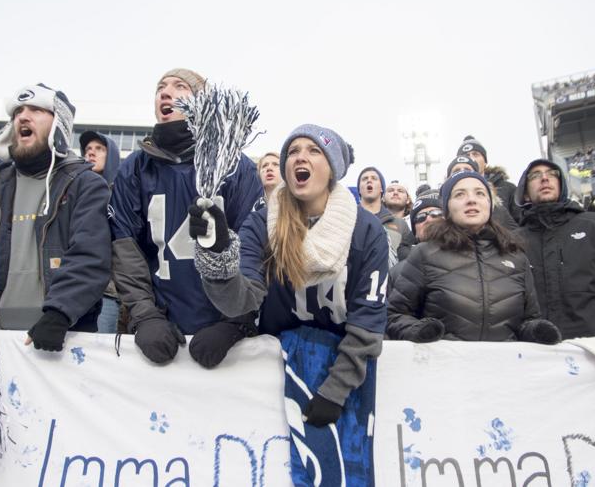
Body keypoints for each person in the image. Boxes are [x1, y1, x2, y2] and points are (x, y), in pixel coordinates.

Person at [189, 124, 387, 485]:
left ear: (333, 167)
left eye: (313, 150)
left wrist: (336, 389)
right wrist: (216, 256)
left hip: (342, 368)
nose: (300, 156)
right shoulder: (262, 223)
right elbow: (240, 301)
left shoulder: (367, 230)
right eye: (293, 151)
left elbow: (368, 322)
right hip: (279, 365)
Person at [0, 83, 111, 351]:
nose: (23, 116)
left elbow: (90, 255)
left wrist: (60, 313)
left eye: (36, 109)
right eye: (18, 111)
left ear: (59, 126)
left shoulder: (85, 184)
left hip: (64, 339)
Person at [109, 68, 262, 364]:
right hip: (162, 324)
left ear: (203, 102)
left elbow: (253, 251)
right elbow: (126, 250)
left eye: (180, 86)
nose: (165, 93)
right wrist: (144, 316)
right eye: (160, 87)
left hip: (222, 326)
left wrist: (236, 322)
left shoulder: (236, 167)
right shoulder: (135, 169)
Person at [388, 170, 560, 343]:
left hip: (505, 367)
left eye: (480, 193)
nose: (471, 199)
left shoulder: (516, 257)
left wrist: (536, 331)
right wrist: (420, 332)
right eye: (460, 194)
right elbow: (395, 315)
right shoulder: (425, 254)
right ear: (447, 207)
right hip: (445, 367)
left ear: (489, 204)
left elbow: (528, 319)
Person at [514, 159, 595, 339]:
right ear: (525, 194)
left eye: (552, 174)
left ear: (562, 187)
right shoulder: (512, 240)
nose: (545, 179)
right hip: (537, 354)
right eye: (535, 176)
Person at [79, 131, 122, 333]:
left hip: (108, 293)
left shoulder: (121, 194)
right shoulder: (73, 192)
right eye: (88, 149)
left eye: (99, 149)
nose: (91, 153)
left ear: (111, 154)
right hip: (75, 291)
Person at [448, 141, 519, 230]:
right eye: (466, 155)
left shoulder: (508, 189)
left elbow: (517, 231)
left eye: (475, 154)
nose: (471, 158)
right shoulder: (442, 198)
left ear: (485, 162)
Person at [357, 166, 410, 265]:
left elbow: (407, 263)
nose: (369, 181)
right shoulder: (348, 219)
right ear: (359, 189)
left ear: (382, 188)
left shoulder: (400, 224)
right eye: (364, 179)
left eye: (374, 178)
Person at [396, 188, 442, 261]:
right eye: (421, 217)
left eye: (436, 213)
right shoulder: (399, 271)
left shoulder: (466, 258)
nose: (429, 219)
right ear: (415, 232)